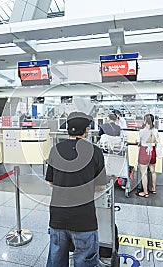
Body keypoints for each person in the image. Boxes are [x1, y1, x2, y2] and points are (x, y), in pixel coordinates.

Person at [45, 112, 108, 267]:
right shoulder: (96, 152)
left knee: (56, 260)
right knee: (84, 261)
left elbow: (51, 182)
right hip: (84, 218)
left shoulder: (55, 150)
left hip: (58, 215)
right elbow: (101, 186)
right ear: (86, 130)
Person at [136, 114, 160, 197]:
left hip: (144, 151)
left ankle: (145, 192)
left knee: (144, 173)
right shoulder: (155, 130)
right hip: (152, 151)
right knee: (153, 171)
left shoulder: (142, 131)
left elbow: (138, 142)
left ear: (145, 121)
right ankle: (153, 189)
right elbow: (157, 142)